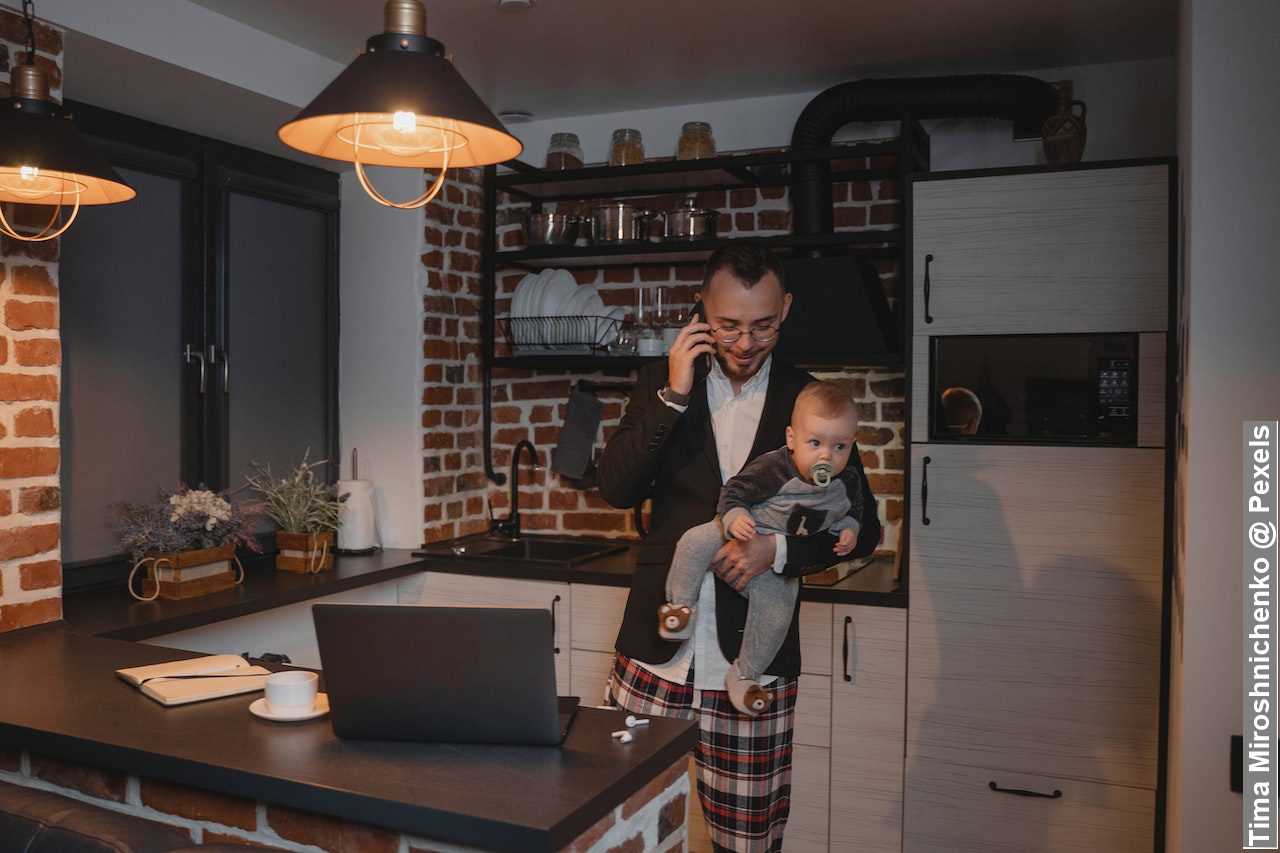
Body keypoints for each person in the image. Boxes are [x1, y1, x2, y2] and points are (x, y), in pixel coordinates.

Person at [597, 240, 881, 852]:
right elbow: (616, 489)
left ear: (786, 309)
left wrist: (778, 554)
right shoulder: (659, 383)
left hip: (750, 669)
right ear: (701, 308)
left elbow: (868, 528)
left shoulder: (812, 403)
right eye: (728, 325)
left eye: (763, 325)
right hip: (654, 654)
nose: (746, 342)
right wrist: (672, 395)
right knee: (620, 837)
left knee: (748, 845)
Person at [659, 381, 864, 717]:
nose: (826, 455)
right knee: (693, 542)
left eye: (839, 446)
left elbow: (856, 511)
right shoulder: (776, 467)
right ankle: (680, 607)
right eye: (815, 443)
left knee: (776, 614)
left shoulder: (849, 482)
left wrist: (851, 529)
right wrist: (735, 515)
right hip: (740, 530)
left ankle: (744, 676)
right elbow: (735, 489)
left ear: (851, 445)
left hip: (774, 563)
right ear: (791, 439)